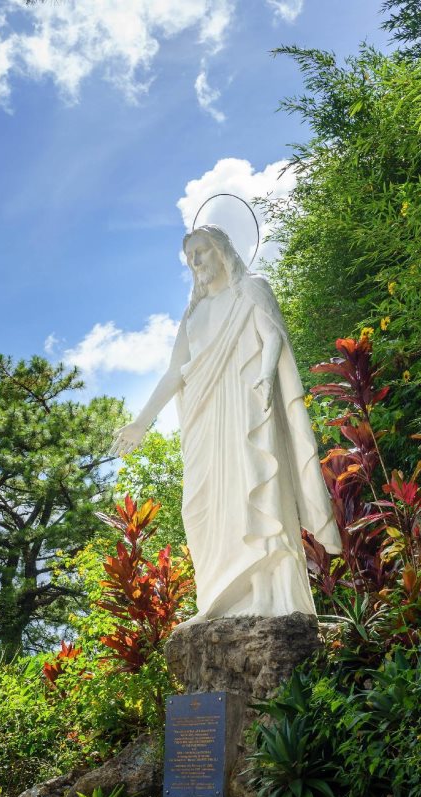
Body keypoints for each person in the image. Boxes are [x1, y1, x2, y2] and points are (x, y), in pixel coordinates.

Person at [110, 225, 341, 620]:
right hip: (205, 417)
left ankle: (272, 597)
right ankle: (217, 600)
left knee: (254, 487)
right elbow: (174, 373)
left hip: (246, 405)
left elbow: (272, 338)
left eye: (201, 251)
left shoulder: (250, 290)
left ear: (222, 251)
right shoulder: (193, 314)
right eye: (189, 257)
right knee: (200, 506)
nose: (195, 261)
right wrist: (141, 423)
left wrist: (267, 378)